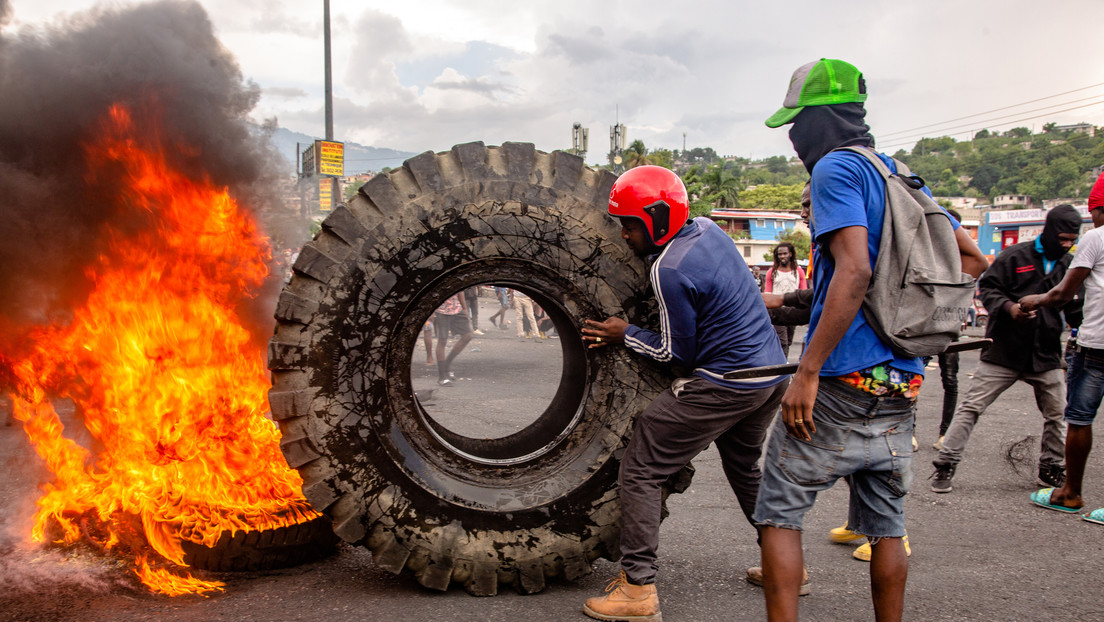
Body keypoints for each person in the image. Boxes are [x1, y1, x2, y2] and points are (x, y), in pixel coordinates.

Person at [755, 58, 987, 622]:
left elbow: (853, 272)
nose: (792, 136)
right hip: (902, 380)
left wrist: (807, 370)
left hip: (840, 377)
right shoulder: (900, 172)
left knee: (779, 514)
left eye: (797, 122)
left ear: (823, 119)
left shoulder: (835, 170)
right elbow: (974, 259)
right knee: (887, 528)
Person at [580, 165, 788, 622]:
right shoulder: (709, 231)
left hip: (726, 382)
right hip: (771, 376)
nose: (624, 235)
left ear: (655, 219)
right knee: (744, 467)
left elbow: (676, 354)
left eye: (629, 225)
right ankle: (786, 567)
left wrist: (625, 332)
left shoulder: (670, 269)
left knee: (641, 466)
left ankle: (638, 588)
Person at [931, 204, 1084, 494]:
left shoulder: (1070, 266)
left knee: (1058, 414)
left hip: (1046, 353)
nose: (1066, 244)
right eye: (1062, 238)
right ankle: (945, 463)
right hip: (1004, 350)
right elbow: (987, 288)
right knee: (972, 407)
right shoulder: (1015, 256)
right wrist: (1009, 307)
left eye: (1071, 240)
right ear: (1050, 231)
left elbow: (1076, 307)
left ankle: (1051, 468)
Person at [1019, 181, 1104, 522]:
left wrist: (1033, 299)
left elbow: (1063, 294)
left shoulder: (1096, 238)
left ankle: (1071, 493)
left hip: (1097, 346)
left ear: (1098, 209)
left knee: (1080, 420)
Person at [763, 241, 808, 357]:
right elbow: (768, 292)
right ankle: (783, 366)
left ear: (791, 254)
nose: (782, 256)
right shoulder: (771, 272)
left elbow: (803, 290)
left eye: (785, 253)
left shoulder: (798, 271)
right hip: (777, 311)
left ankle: (784, 363)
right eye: (780, 254)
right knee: (782, 341)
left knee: (788, 341)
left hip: (794, 311)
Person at [433, 293, 472, 386]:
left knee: (467, 335)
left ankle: (446, 364)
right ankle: (442, 377)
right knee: (442, 340)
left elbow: (461, 291)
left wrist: (465, 308)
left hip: (457, 308)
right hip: (441, 310)